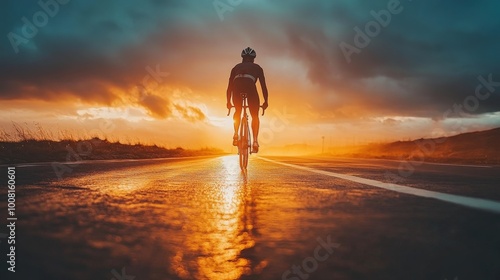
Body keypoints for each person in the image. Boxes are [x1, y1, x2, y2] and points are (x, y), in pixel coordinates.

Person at [226, 47, 269, 153]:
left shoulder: (235, 67)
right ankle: (255, 141)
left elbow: (229, 87)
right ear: (253, 59)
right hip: (250, 88)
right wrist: (265, 102)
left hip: (236, 88)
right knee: (255, 115)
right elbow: (263, 86)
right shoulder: (257, 67)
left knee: (238, 111)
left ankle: (236, 134)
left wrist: (228, 102)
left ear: (242, 58)